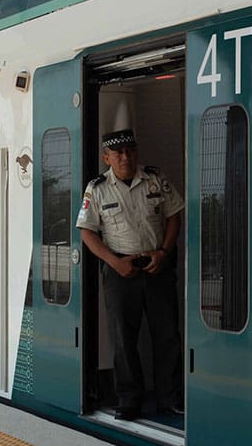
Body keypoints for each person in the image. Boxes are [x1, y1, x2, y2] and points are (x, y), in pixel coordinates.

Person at [76, 128, 184, 421]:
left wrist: (164, 251)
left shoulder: (155, 179)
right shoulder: (97, 189)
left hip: (157, 266)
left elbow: (174, 214)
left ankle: (170, 398)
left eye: (130, 151)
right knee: (124, 339)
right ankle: (129, 400)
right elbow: (87, 232)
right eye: (118, 153)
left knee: (167, 336)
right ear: (106, 157)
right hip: (121, 271)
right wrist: (114, 262)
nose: (126, 157)